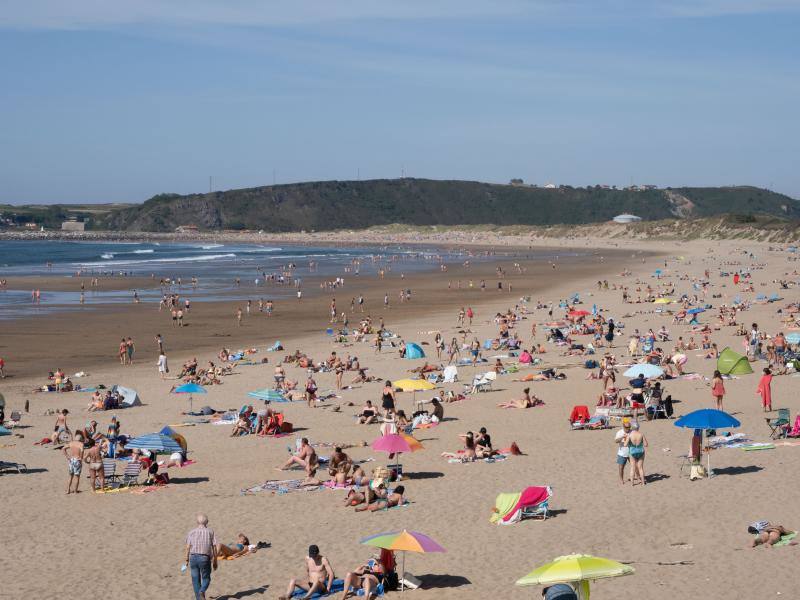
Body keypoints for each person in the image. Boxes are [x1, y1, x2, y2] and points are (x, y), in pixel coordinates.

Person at [184, 514, 218, 600]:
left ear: (197, 522)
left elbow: (188, 547)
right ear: (207, 522)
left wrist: (187, 559)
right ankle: (202, 591)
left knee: (195, 580)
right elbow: (214, 547)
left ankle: (199, 598)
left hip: (193, 557)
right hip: (204, 558)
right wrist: (215, 561)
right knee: (206, 578)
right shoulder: (210, 532)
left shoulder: (191, 532)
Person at [615, 420, 632, 484]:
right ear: (623, 426)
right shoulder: (619, 432)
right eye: (627, 427)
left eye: (629, 427)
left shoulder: (632, 432)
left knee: (634, 466)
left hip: (631, 452)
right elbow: (616, 441)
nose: (628, 429)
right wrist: (622, 437)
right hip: (622, 453)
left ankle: (637, 477)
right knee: (621, 467)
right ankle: (621, 479)